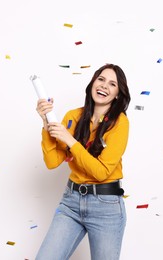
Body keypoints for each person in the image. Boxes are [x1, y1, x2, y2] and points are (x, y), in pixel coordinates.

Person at [35, 63, 131, 260]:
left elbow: (102, 172)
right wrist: (46, 124)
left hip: (106, 207)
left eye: (112, 84)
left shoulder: (120, 123)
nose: (104, 86)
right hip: (71, 202)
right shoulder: (73, 116)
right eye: (101, 79)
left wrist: (70, 140)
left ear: (118, 94)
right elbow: (53, 161)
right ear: (92, 83)